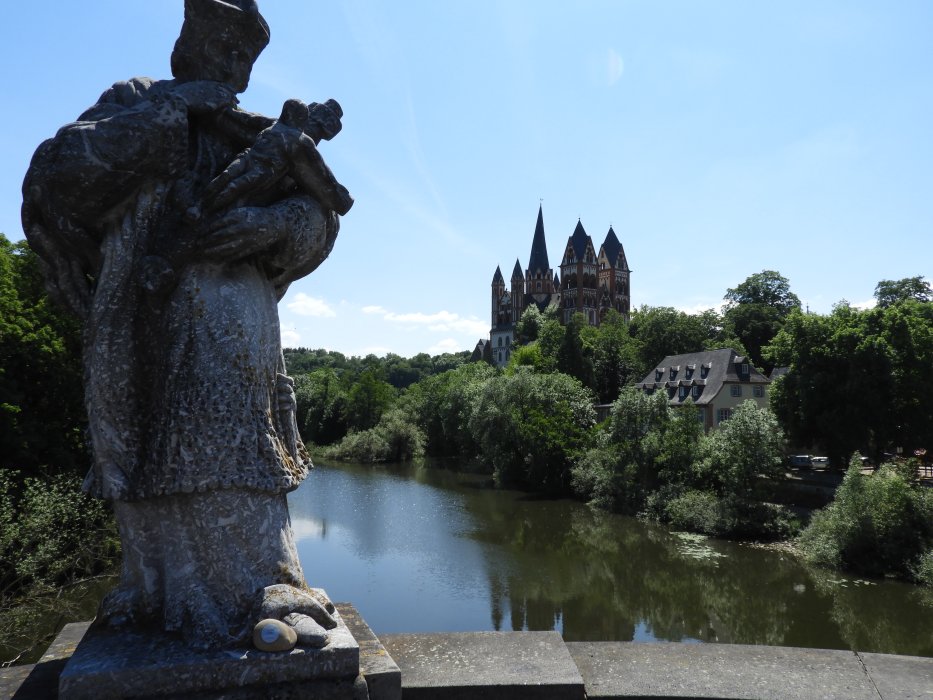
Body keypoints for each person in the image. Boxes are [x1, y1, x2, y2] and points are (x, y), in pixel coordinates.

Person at [22, 0, 352, 649]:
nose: (233, 65)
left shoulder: (253, 131)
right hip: (149, 321)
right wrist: (173, 111)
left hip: (239, 325)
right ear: (186, 43)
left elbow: (323, 214)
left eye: (244, 57)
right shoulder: (135, 101)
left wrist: (272, 225)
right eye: (222, 47)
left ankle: (265, 586)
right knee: (157, 455)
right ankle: (163, 596)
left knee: (240, 453)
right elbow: (57, 175)